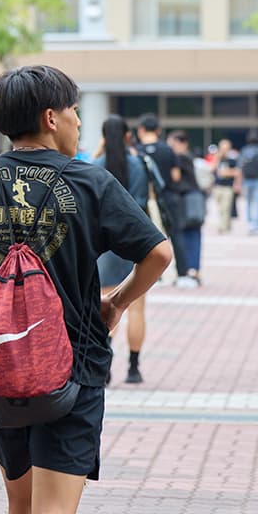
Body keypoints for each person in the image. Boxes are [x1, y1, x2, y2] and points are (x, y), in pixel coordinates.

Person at [0, 65, 171, 514]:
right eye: (75, 111)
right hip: (72, 366)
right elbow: (158, 254)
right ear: (51, 117)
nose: (80, 122)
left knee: (21, 503)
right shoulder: (88, 181)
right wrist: (117, 302)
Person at [92, 114, 150, 384]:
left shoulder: (96, 166)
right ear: (128, 136)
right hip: (135, 245)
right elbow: (143, 203)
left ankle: (105, 364)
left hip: (105, 247)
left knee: (106, 307)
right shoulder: (137, 165)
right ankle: (134, 369)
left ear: (104, 137)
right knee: (136, 308)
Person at [136, 114, 184, 277]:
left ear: (141, 130)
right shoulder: (168, 150)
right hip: (167, 198)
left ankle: (153, 275)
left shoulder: (137, 151)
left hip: (144, 200)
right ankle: (182, 274)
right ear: (158, 130)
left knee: (147, 239)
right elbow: (176, 176)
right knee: (176, 235)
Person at [168, 131, 204, 288]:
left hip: (186, 200)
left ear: (182, 143)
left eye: (172, 144)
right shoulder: (188, 157)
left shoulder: (181, 158)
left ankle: (190, 270)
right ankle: (194, 270)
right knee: (194, 235)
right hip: (194, 198)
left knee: (186, 235)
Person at [238, 131, 258, 234]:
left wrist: (238, 182)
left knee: (248, 203)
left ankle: (250, 224)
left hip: (247, 180)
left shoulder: (244, 151)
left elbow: (240, 168)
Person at [212, 139, 240, 233]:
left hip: (228, 187)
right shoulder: (218, 159)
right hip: (218, 186)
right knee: (220, 208)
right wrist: (217, 158)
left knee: (226, 207)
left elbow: (237, 172)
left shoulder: (232, 160)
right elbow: (212, 169)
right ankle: (226, 225)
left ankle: (223, 227)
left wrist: (226, 173)